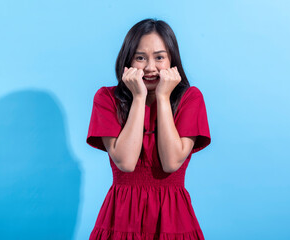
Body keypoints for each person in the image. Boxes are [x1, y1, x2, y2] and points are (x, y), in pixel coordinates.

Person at [86, 18, 211, 240]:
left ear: (172, 60)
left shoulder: (191, 98)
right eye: (140, 58)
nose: (150, 67)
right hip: (120, 217)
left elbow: (172, 163)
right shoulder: (106, 98)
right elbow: (125, 162)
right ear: (128, 59)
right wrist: (138, 96)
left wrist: (162, 97)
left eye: (160, 57)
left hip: (173, 218)